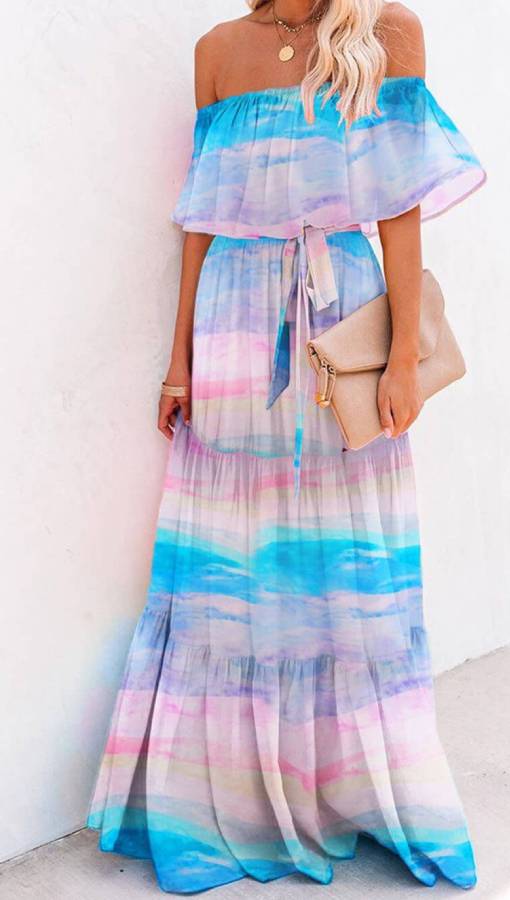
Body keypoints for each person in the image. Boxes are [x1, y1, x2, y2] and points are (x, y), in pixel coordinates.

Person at [86, 0, 486, 893]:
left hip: (341, 316)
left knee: (346, 557)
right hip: (234, 319)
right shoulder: (217, 50)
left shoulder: (387, 33)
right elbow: (202, 218)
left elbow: (400, 210)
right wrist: (180, 359)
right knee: (234, 560)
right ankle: (233, 791)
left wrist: (402, 359)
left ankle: (345, 786)